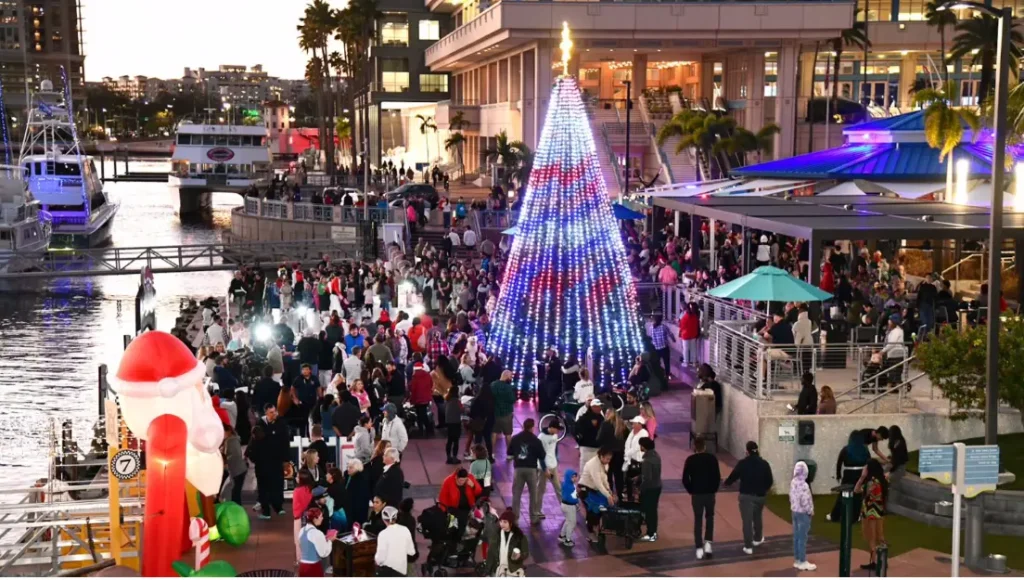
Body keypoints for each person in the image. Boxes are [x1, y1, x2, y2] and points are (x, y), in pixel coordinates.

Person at [723, 441, 774, 555]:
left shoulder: (743, 463)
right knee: (757, 517)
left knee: (747, 521)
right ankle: (758, 539)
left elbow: (733, 476)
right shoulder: (764, 464)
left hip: (746, 496)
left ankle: (748, 546)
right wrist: (763, 490)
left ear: (747, 451)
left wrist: (726, 483)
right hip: (760, 496)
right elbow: (770, 480)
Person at [682, 435, 720, 560]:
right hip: (709, 493)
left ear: (695, 447)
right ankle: (708, 543)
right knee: (710, 517)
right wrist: (714, 489)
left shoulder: (690, 460)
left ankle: (699, 547)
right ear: (704, 446)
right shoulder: (712, 459)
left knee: (698, 520)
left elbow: (685, 479)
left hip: (697, 494)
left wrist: (691, 490)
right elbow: (717, 477)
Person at [508, 418, 547, 526]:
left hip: (518, 469)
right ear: (532, 427)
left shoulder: (515, 438)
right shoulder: (536, 440)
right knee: (533, 494)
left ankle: (515, 519)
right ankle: (533, 517)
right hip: (531, 469)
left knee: (516, 494)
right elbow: (542, 456)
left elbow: (509, 452)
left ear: (523, 426)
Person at [827, 430, 870, 522]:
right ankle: (856, 516)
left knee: (843, 495)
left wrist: (838, 475)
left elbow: (839, 462)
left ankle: (835, 516)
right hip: (861, 474)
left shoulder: (846, 449)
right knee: (858, 496)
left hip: (848, 474)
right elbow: (869, 462)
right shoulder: (865, 450)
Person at [856, 459, 888, 571]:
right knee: (880, 536)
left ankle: (875, 562)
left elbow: (856, 490)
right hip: (879, 513)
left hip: (870, 514)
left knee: (871, 538)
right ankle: (883, 560)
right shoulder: (882, 480)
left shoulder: (871, 483)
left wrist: (862, 477)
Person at [579, 447, 615, 543]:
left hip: (595, 490)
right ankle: (591, 532)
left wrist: (609, 491)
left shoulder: (605, 464)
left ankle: (596, 527)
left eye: (610, 459)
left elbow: (604, 479)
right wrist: (608, 495)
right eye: (607, 459)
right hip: (585, 489)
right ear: (601, 456)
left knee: (603, 507)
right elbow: (598, 483)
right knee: (593, 509)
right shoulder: (593, 465)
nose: (608, 461)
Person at [484, 509, 530, 577]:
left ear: (511, 523)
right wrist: (487, 571)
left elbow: (526, 552)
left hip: (513, 570)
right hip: (498, 568)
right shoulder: (496, 535)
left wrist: (520, 556)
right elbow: (491, 553)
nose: (502, 524)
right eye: (501, 521)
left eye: (505, 522)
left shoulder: (520, 536)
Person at [789, 461, 817, 571]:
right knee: (802, 538)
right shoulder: (804, 485)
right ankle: (802, 560)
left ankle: (797, 559)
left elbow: (791, 496)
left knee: (796, 536)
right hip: (803, 514)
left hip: (794, 511)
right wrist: (810, 511)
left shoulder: (793, 482)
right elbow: (805, 500)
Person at [374, 506, 416, 576]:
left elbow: (379, 559)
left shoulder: (383, 534)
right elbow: (411, 552)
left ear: (383, 519)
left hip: (387, 573)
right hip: (401, 572)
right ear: (396, 518)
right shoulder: (405, 530)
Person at [438, 467, 482, 533]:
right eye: (460, 480)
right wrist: (445, 512)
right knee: (452, 528)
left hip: (468, 508)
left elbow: (479, 491)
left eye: (464, 480)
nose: (462, 482)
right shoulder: (448, 481)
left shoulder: (470, 478)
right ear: (456, 477)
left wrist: (473, 486)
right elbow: (442, 498)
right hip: (453, 510)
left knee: (469, 526)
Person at [298, 508, 337, 576]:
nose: (322, 518)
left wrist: (323, 539)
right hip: (313, 568)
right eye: (321, 516)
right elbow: (323, 553)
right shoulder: (317, 533)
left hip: (302, 567)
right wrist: (330, 541)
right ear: (315, 519)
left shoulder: (301, 530)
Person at [637, 437, 662, 543]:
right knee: (653, 511)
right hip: (657, 486)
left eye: (640, 445)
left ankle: (650, 533)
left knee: (648, 511)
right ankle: (653, 532)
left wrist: (640, 488)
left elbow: (647, 478)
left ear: (644, 447)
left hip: (650, 489)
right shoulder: (656, 456)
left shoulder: (647, 461)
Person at [491, 370, 516, 460]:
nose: (511, 378)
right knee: (508, 434)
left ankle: (491, 453)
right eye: (510, 377)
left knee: (493, 433)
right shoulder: (508, 387)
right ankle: (509, 454)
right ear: (506, 376)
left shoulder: (493, 385)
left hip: (495, 413)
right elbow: (512, 399)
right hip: (506, 414)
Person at [622, 416, 648, 499]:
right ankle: (630, 497)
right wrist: (626, 453)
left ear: (640, 424)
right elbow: (627, 443)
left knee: (637, 481)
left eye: (634, 423)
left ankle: (639, 498)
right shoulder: (632, 432)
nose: (632, 425)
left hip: (639, 461)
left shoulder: (644, 433)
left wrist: (627, 453)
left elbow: (637, 447)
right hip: (631, 459)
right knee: (628, 480)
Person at [292, 471, 317, 561]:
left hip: (299, 517)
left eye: (298, 477)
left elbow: (296, 508)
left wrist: (296, 518)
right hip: (310, 516)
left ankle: (300, 560)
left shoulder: (297, 491)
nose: (296, 478)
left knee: (298, 540)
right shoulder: (311, 489)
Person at [575, 399, 603, 474]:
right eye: (598, 406)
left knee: (595, 471)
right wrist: (580, 441)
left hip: (597, 449)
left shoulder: (601, 419)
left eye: (600, 406)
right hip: (586, 449)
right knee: (584, 470)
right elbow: (575, 430)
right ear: (593, 407)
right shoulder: (584, 418)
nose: (600, 408)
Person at [407, 355, 434, 435]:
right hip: (426, 399)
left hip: (418, 400)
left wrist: (411, 400)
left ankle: (422, 429)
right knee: (423, 414)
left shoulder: (414, 377)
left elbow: (413, 389)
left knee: (420, 415)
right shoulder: (427, 375)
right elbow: (431, 385)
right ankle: (427, 429)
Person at [222, 423, 247, 505]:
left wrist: (225, 460)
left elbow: (235, 455)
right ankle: (237, 508)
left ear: (228, 431)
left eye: (223, 431)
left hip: (237, 470)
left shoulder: (231, 441)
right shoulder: (230, 440)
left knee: (235, 494)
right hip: (237, 470)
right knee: (235, 493)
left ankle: (237, 508)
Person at [538, 419, 562, 499]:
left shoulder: (555, 435)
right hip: (544, 469)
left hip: (553, 466)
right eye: (557, 429)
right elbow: (540, 455)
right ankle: (536, 507)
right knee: (541, 489)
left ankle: (565, 505)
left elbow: (555, 447)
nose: (558, 431)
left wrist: (556, 459)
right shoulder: (541, 438)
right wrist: (545, 469)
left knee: (558, 488)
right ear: (551, 427)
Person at [344, 459, 371, 525]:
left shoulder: (360, 479)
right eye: (348, 467)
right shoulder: (349, 477)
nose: (348, 469)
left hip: (357, 511)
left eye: (351, 467)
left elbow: (359, 497)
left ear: (357, 468)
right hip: (350, 509)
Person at [647, 314, 674, 379]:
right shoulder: (664, 327)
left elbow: (651, 337)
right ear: (661, 320)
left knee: (657, 362)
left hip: (656, 348)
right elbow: (670, 334)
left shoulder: (651, 328)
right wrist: (673, 339)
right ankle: (667, 374)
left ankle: (658, 374)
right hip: (664, 347)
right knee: (666, 362)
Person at [558, 469, 579, 547]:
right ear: (568, 477)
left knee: (568, 521)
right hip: (569, 506)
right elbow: (570, 498)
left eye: (575, 476)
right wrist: (576, 500)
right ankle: (568, 539)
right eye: (572, 477)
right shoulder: (569, 486)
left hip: (564, 505)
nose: (574, 478)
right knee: (572, 523)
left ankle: (562, 535)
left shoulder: (567, 484)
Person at [444, 386, 463, 464]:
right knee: (456, 441)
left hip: (449, 422)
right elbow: (462, 410)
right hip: (456, 422)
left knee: (449, 440)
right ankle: (454, 457)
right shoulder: (457, 401)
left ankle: (448, 457)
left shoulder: (447, 400)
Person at [679, 302, 701, 367]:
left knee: (685, 349)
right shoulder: (695, 316)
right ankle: (693, 362)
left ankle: (686, 362)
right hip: (693, 334)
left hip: (685, 335)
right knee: (693, 349)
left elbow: (681, 326)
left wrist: (681, 333)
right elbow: (697, 326)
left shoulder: (685, 316)